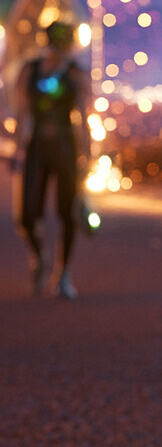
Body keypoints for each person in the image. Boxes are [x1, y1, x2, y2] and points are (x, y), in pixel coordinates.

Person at [14, 20, 90, 298]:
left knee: (67, 212)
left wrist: (87, 154)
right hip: (37, 147)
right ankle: (40, 258)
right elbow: (22, 114)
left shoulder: (76, 74)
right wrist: (17, 149)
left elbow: (83, 118)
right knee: (26, 215)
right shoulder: (30, 70)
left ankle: (63, 274)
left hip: (65, 147)